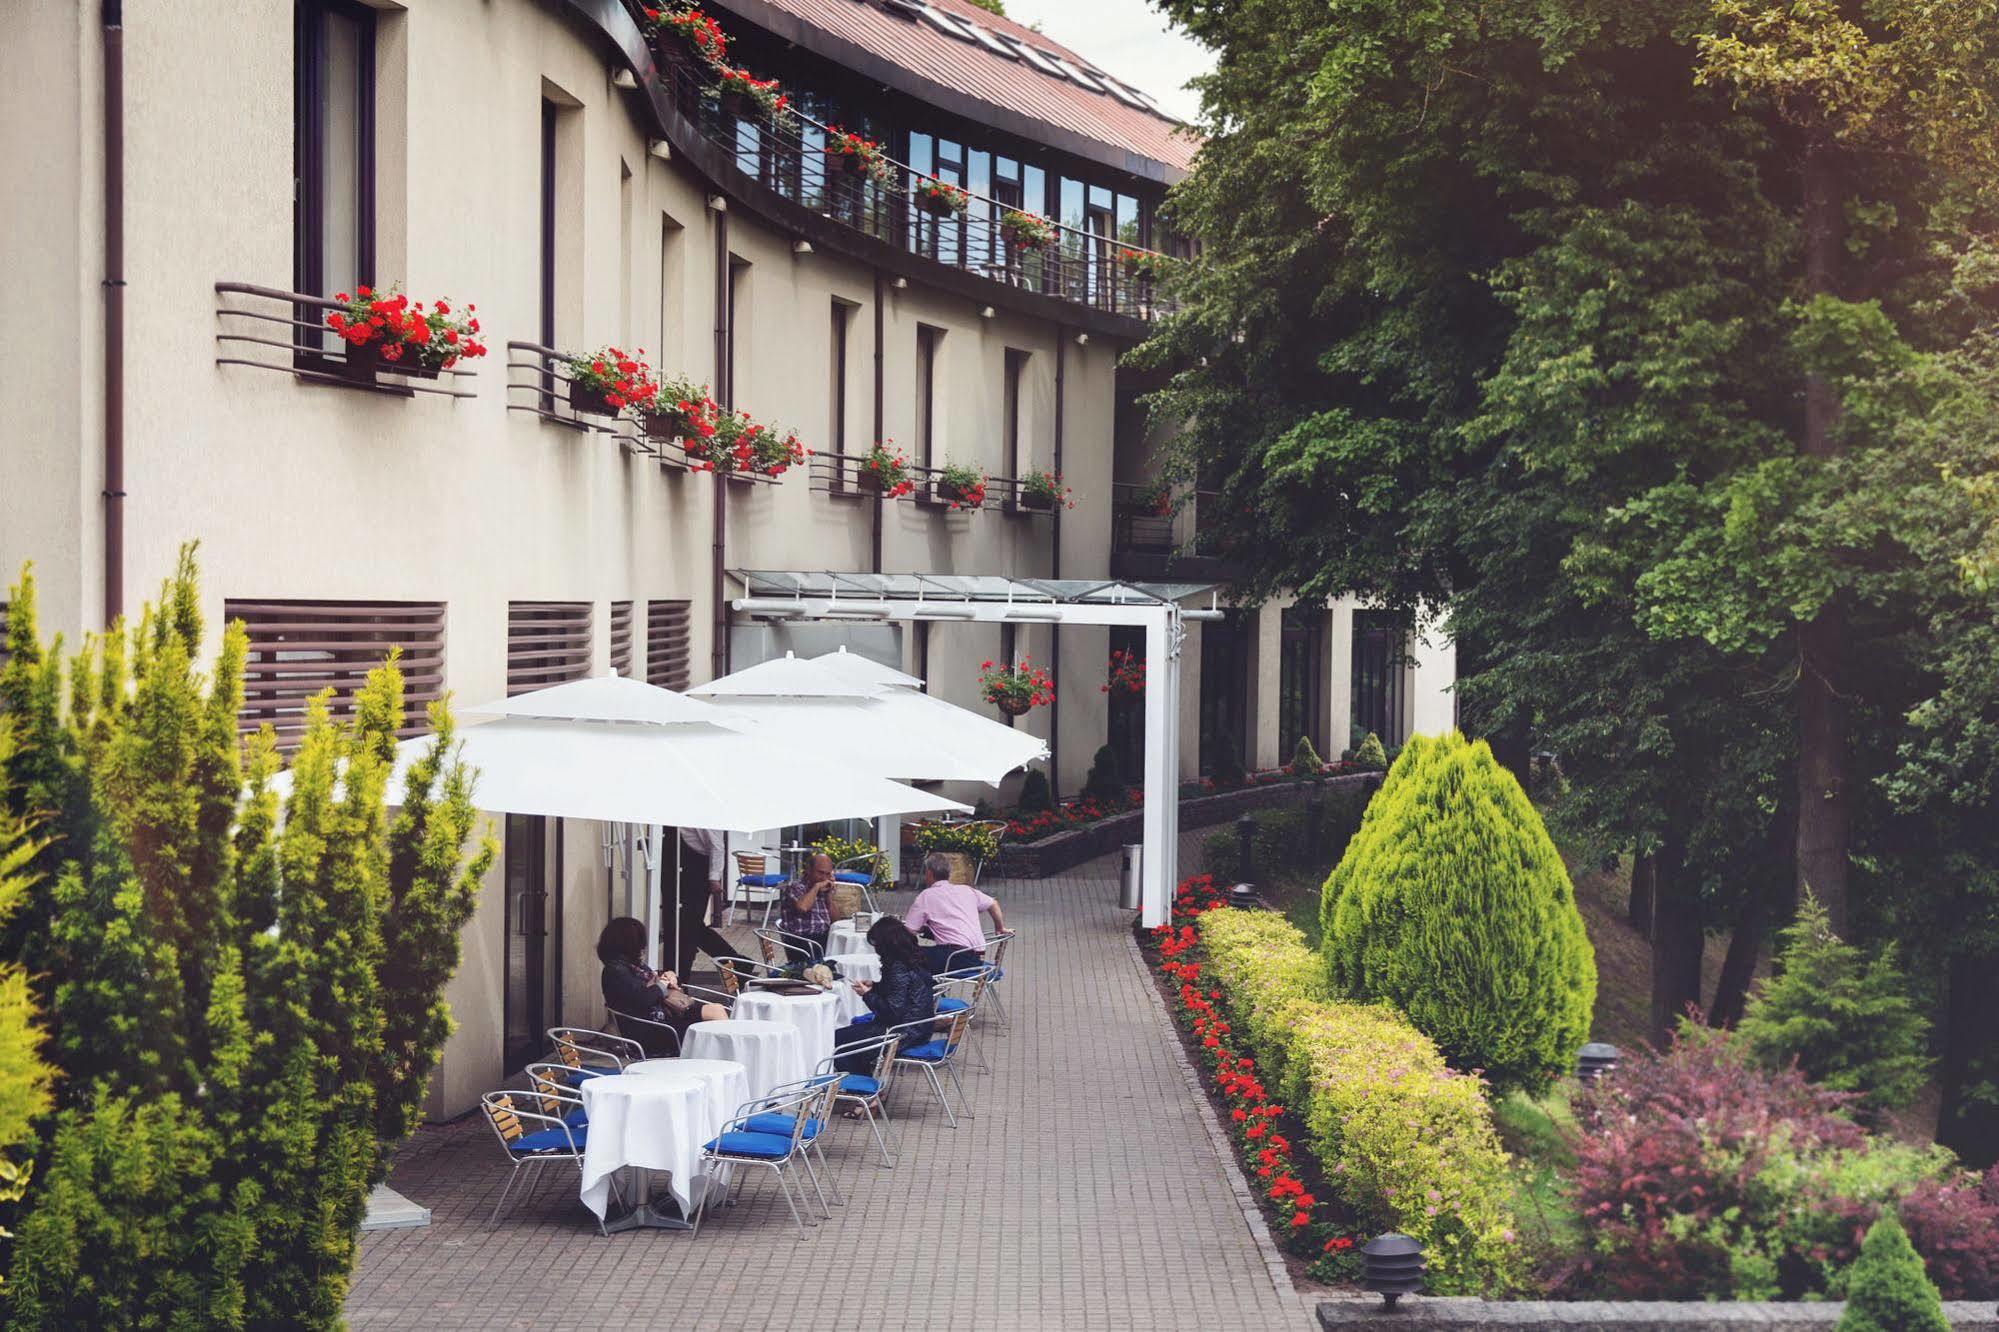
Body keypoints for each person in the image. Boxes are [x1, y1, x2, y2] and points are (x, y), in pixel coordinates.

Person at [597, 916, 727, 1058]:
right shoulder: (615, 971)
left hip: (665, 1016)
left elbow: (651, 980)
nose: (642, 948)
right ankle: (727, 1059)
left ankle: (730, 1057)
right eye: (639, 943)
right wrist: (662, 984)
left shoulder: (632, 965)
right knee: (712, 1029)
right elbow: (643, 998)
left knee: (716, 1010)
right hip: (652, 1030)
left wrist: (669, 976)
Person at [831, 915, 936, 1079]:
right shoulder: (913, 958)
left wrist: (867, 995)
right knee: (847, 1037)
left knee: (836, 1042)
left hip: (901, 1032)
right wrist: (876, 986)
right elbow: (902, 992)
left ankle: (866, 1091)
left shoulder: (897, 967)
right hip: (919, 1027)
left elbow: (892, 1012)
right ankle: (867, 1083)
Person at [904, 851, 1004, 975]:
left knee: (905, 957)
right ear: (948, 873)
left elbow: (908, 931)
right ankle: (933, 990)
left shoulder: (926, 896)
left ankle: (924, 992)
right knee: (925, 957)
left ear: (929, 873)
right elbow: (993, 904)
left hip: (954, 957)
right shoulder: (966, 890)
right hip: (976, 957)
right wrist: (1000, 928)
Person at [672, 826, 737, 977]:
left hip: (695, 873)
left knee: (687, 929)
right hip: (677, 873)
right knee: (689, 928)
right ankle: (739, 965)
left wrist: (714, 878)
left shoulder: (701, 812)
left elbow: (717, 845)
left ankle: (681, 979)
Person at [778, 852, 835, 962]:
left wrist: (829, 897)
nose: (824, 878)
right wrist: (816, 887)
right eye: (820, 873)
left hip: (822, 939)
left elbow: (835, 920)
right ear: (809, 870)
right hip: (801, 942)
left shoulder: (825, 889)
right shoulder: (795, 887)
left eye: (828, 874)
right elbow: (803, 907)